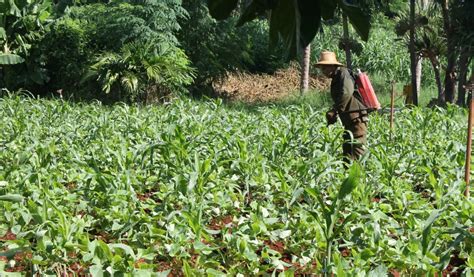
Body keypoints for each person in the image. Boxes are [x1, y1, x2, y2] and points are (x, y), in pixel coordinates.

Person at [315, 51, 369, 163]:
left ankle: (361, 177)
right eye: (322, 68)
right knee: (348, 152)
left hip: (356, 119)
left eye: (325, 68)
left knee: (357, 150)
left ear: (333, 66)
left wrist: (334, 110)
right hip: (349, 120)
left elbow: (346, 93)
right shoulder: (336, 77)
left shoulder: (343, 73)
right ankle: (348, 176)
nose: (323, 71)